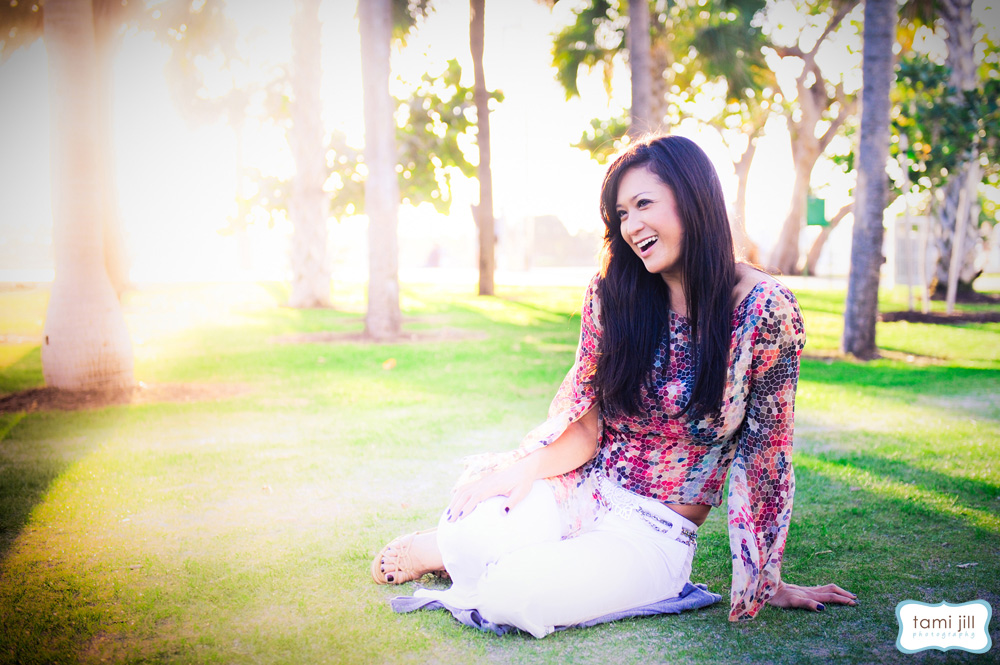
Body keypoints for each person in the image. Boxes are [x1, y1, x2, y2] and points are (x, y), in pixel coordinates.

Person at [371, 134, 856, 638]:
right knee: (472, 531)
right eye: (621, 213)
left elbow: (766, 454)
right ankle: (452, 548)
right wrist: (524, 469)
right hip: (582, 488)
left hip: (654, 535)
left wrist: (764, 578)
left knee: (512, 596)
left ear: (693, 197)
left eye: (644, 204)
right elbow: (587, 426)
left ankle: (494, 558)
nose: (632, 226)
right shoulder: (613, 294)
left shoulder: (763, 309)